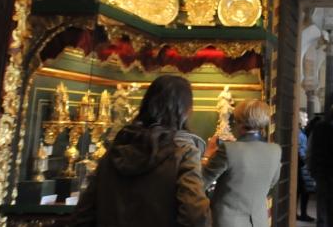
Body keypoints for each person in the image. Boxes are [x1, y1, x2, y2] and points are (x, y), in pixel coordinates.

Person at [72, 75, 211, 227]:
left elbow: (84, 212)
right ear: (185, 111)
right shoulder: (184, 153)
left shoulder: (116, 149)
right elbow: (195, 215)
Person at [202, 99, 282, 227]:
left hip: (228, 222)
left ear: (239, 122)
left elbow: (201, 181)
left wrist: (207, 154)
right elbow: (271, 183)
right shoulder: (275, 150)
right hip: (259, 221)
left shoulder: (229, 149)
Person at [307, 104, 333, 227]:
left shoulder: (318, 128)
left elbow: (311, 148)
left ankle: (321, 223)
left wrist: (311, 166)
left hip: (321, 169)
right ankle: (331, 223)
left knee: (321, 199)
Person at [297, 110, 316, 222]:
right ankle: (303, 213)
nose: (307, 120)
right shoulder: (301, 135)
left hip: (300, 166)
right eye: (305, 117)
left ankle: (297, 213)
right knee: (304, 191)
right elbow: (301, 151)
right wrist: (307, 161)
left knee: (299, 191)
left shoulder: (300, 133)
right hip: (302, 166)